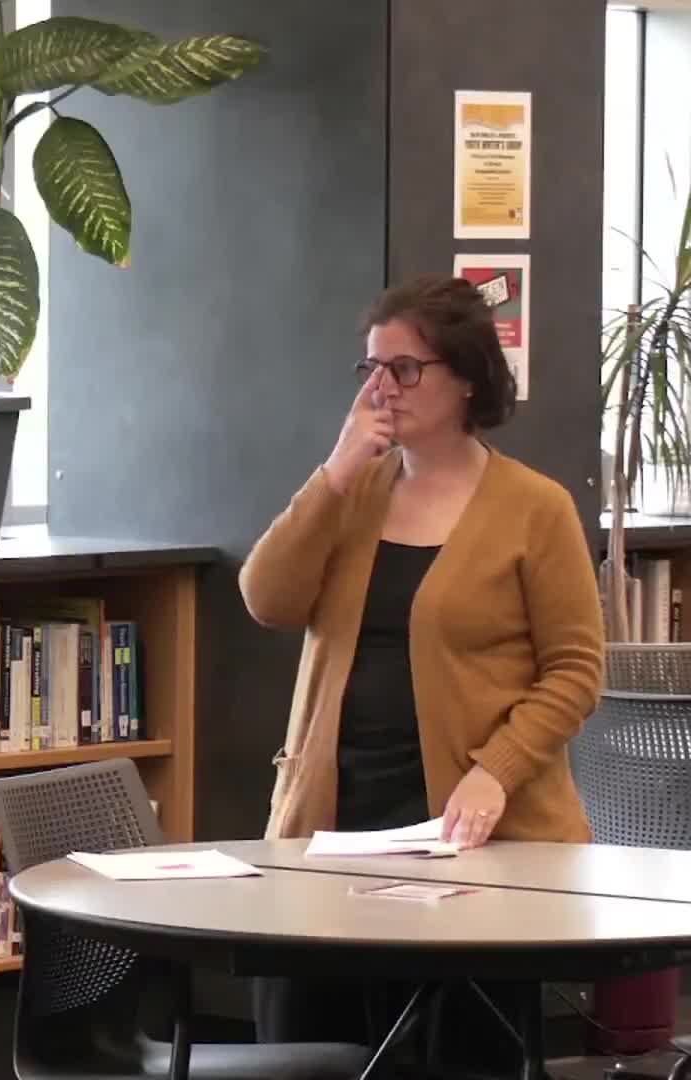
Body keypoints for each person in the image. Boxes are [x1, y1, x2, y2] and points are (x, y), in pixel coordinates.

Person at [238, 273, 604, 1066]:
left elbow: (576, 669)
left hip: (469, 834)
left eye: (404, 368)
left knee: (453, 1052)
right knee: (310, 1045)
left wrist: (496, 771)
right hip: (335, 822)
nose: (382, 387)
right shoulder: (352, 492)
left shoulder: (535, 508)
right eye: (371, 367)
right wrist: (335, 472)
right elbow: (267, 598)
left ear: (466, 378)